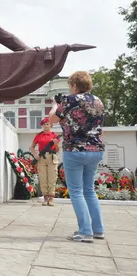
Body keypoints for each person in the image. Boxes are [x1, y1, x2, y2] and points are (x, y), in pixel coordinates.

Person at [49, 71, 105, 243]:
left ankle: (85, 232)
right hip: (96, 149)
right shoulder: (98, 101)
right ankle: (98, 230)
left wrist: (54, 104)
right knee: (89, 190)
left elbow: (52, 119)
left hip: (75, 150)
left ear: (74, 85)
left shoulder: (70, 100)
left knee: (76, 191)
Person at [30, 117, 60, 206]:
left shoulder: (54, 135)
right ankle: (45, 197)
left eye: (47, 124)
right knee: (43, 178)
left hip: (52, 157)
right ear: (42, 126)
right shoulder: (39, 135)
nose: (46, 126)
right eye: (44, 124)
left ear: (50, 125)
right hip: (41, 158)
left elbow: (57, 150)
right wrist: (35, 154)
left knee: (52, 177)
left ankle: (51, 198)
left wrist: (55, 143)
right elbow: (32, 147)